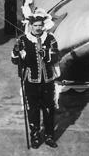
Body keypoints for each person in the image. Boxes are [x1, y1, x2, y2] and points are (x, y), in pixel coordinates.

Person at [11, 8, 61, 148]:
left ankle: (49, 136)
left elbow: (56, 56)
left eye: (40, 25)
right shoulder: (22, 40)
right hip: (30, 80)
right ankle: (35, 136)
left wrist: (45, 53)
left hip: (47, 80)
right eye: (35, 26)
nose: (38, 28)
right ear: (30, 26)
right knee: (32, 109)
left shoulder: (50, 38)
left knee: (49, 108)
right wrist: (16, 50)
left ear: (43, 25)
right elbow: (15, 60)